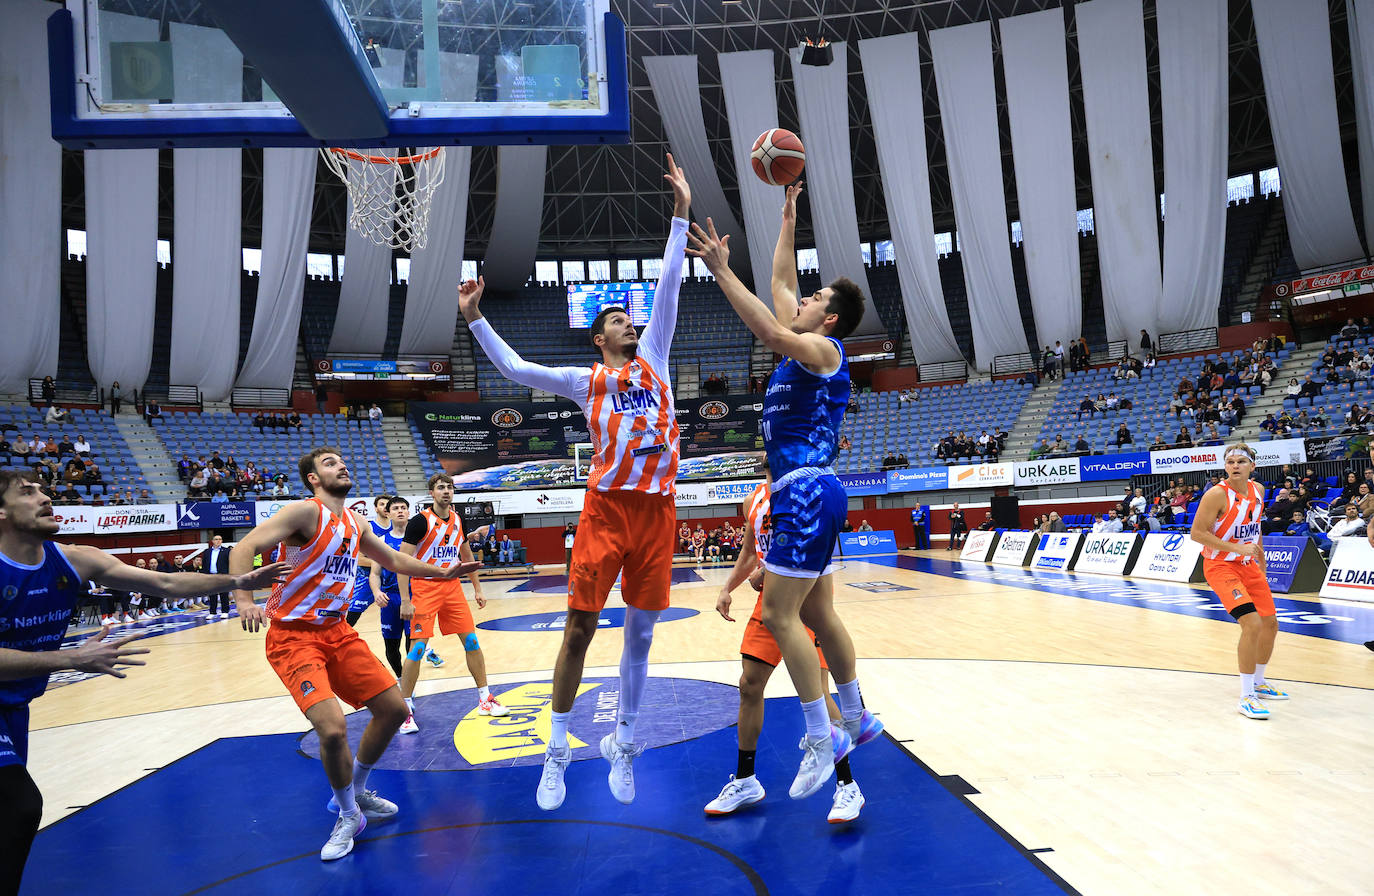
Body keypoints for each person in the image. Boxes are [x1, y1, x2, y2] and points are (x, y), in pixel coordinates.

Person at [461, 155, 690, 810]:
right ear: (598, 338)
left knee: (642, 635)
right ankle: (557, 749)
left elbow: (670, 286)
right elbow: (516, 368)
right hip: (606, 511)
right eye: (617, 319)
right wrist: (475, 317)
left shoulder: (656, 361)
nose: (629, 321)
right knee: (578, 632)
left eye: (629, 317)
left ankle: (623, 741)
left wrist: (679, 216)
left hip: (658, 514)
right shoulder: (585, 381)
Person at [687, 179, 882, 803]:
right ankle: (858, 716)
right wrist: (787, 218)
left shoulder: (822, 348)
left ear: (826, 318)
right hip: (814, 491)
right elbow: (778, 289)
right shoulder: (810, 344)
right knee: (820, 612)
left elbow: (772, 327)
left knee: (779, 612)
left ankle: (823, 738)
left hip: (802, 490)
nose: (799, 296)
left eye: (814, 296)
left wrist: (719, 269)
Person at [0, 469, 288, 892]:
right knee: (20, 806)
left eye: (44, 488)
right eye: (27, 492)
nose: (44, 496)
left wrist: (238, 581)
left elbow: (164, 582)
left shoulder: (75, 558)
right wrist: (72, 657)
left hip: (13, 707)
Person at [227, 447, 482, 861]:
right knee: (331, 729)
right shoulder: (304, 513)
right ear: (312, 478)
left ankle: (357, 792)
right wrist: (242, 598)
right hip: (294, 636)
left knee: (395, 710)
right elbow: (245, 547)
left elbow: (396, 558)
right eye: (329, 463)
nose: (341, 465)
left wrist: (442, 572)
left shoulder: (355, 520)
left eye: (342, 461)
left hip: (336, 631)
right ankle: (348, 814)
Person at [705, 468, 864, 823]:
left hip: (804, 597)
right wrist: (726, 587)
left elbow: (814, 545)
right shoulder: (754, 499)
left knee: (819, 692)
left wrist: (770, 571)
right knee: (749, 685)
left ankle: (847, 785)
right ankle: (745, 780)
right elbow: (749, 551)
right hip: (771, 603)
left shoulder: (806, 491)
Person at [396, 472, 505, 733]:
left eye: (449, 487)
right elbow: (401, 562)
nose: (446, 491)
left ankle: (484, 699)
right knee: (417, 650)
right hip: (424, 587)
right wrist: (405, 599)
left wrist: (477, 588)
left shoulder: (458, 519)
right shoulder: (419, 523)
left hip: (453, 588)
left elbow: (465, 554)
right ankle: (404, 709)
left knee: (472, 641)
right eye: (441, 487)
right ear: (432, 493)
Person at [1189, 442, 1289, 720]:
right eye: (1230, 462)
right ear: (1225, 467)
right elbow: (1197, 533)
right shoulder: (1216, 495)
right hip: (1221, 566)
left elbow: (1253, 527)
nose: (1235, 466)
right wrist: (1236, 549)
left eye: (1240, 462)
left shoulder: (1259, 490)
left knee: (1270, 623)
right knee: (1252, 623)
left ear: (1252, 467)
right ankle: (1246, 696)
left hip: (1249, 565)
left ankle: (1259, 681)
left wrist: (1261, 557)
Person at [204, 535, 233, 620]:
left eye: (220, 539)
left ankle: (225, 611)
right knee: (212, 595)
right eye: (216, 539)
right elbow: (205, 564)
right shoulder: (207, 551)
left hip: (222, 576)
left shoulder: (227, 551)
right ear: (212, 541)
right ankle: (212, 612)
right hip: (211, 576)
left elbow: (230, 563)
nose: (218, 541)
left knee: (224, 594)